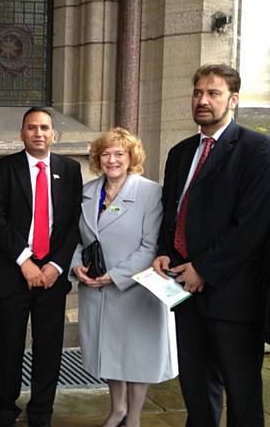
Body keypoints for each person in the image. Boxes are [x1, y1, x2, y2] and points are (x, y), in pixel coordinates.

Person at [152, 64, 270, 427]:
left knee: (241, 393)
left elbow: (251, 225)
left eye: (213, 93)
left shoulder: (257, 150)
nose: (202, 100)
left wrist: (204, 268)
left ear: (233, 100)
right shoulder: (180, 152)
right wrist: (163, 251)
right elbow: (170, 211)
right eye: (198, 92)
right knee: (197, 392)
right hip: (183, 293)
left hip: (233, 296)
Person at [70, 128, 177, 427]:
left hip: (135, 288)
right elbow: (75, 238)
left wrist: (113, 277)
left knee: (136, 355)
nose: (112, 160)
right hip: (95, 288)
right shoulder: (87, 192)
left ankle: (135, 417)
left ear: (131, 158)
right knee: (110, 353)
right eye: (105, 154)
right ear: (97, 158)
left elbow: (150, 246)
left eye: (119, 153)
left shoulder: (150, 192)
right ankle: (117, 410)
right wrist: (77, 264)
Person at [0, 107, 82, 427]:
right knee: (9, 343)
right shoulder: (4, 169)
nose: (38, 133)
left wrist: (56, 265)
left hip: (53, 275)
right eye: (32, 128)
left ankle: (42, 409)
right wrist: (24, 261)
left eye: (44, 127)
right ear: (22, 133)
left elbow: (73, 223)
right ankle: (5, 408)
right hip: (15, 272)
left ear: (53, 133)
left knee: (49, 346)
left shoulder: (69, 170)